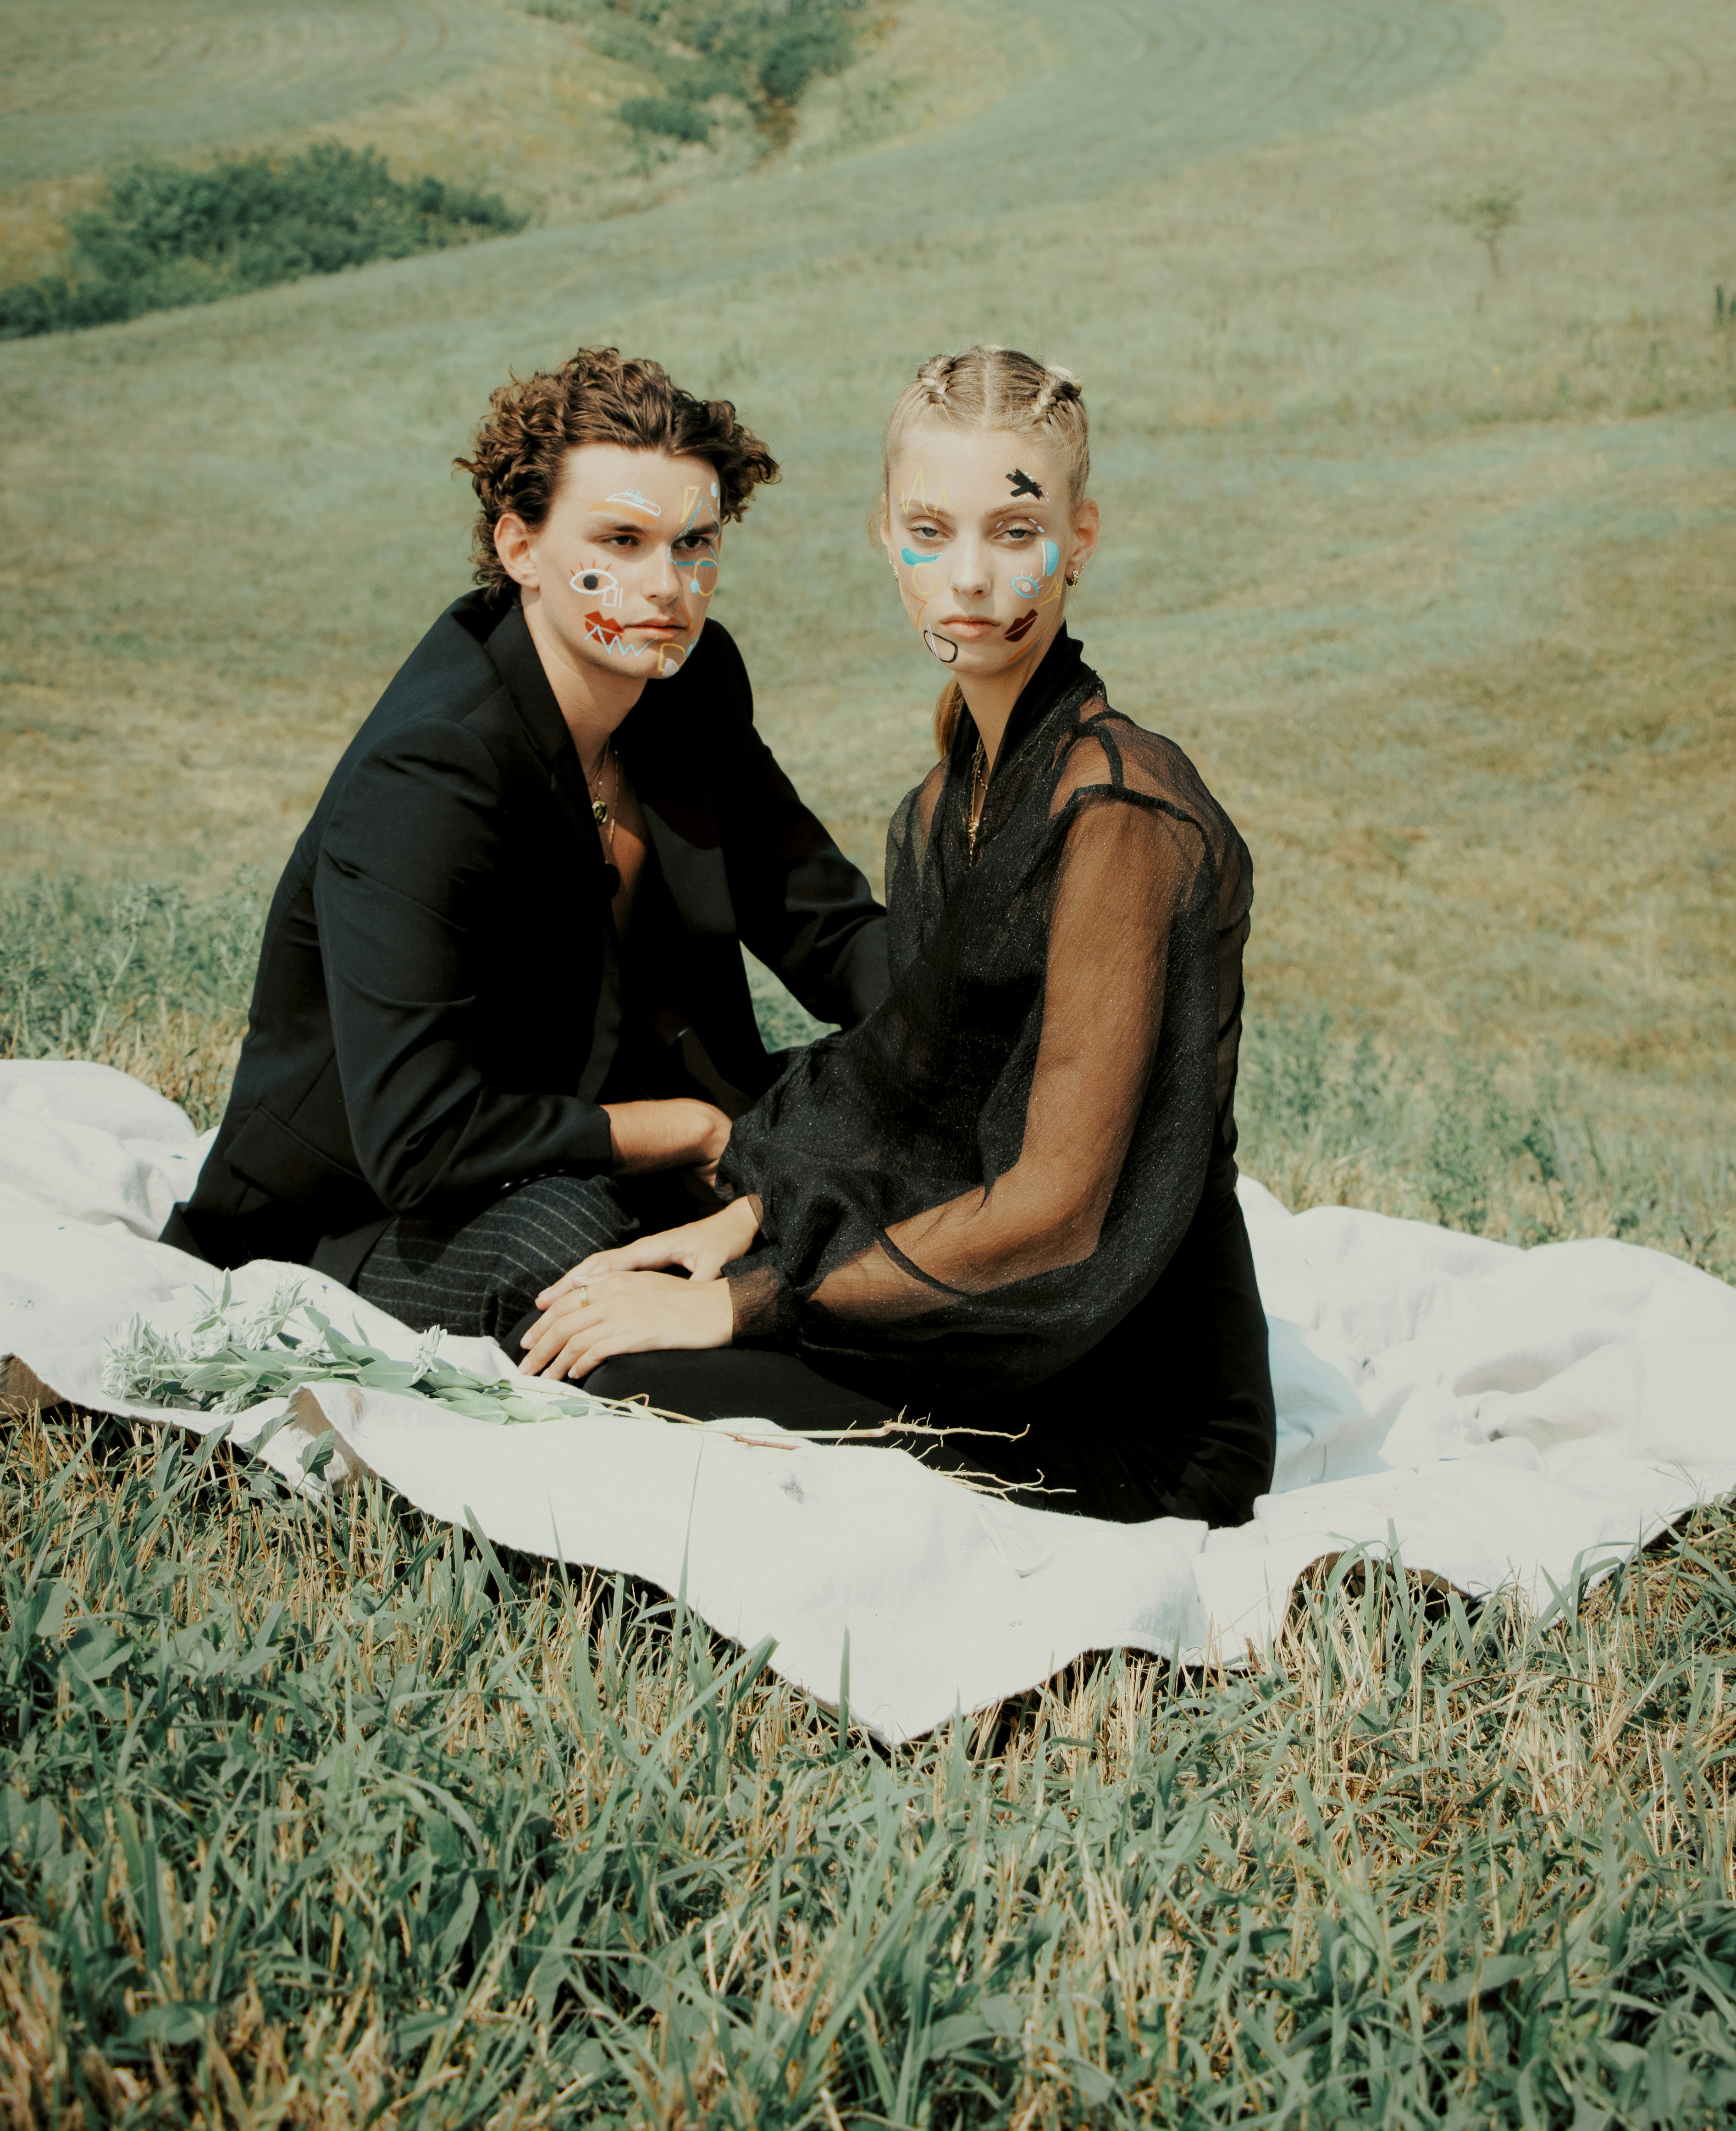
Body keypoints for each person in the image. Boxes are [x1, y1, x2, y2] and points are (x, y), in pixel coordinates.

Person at [516, 346, 1276, 1529]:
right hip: (997, 1338)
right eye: (930, 530)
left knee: (642, 1381)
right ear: (884, 539)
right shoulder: (934, 814)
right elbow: (909, 1102)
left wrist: (753, 1299)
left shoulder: (1119, 810)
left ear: (1078, 538)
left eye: (1014, 532)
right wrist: (739, 1226)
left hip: (1138, 1402)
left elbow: (1057, 1207)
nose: (967, 575)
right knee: (609, 1346)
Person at [161, 349, 890, 1340]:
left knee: (885, 1112)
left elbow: (828, 926)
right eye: (621, 541)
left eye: (694, 543)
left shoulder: (691, 682)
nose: (666, 585)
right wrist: (686, 1129)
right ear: (519, 547)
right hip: (373, 1210)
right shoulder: (432, 768)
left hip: (610, 1127)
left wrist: (971, 1043)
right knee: (576, 1246)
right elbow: (420, 1139)